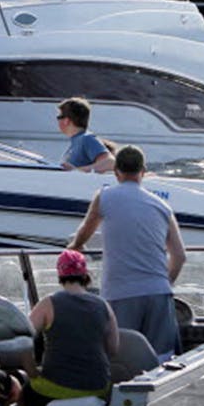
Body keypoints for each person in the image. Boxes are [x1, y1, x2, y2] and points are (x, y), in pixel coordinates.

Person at [69, 146, 187, 360]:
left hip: (121, 293)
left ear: (116, 172)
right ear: (143, 171)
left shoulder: (104, 197)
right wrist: (164, 283)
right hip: (158, 293)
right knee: (162, 361)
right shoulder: (162, 206)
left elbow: (86, 230)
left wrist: (75, 246)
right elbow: (179, 257)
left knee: (120, 360)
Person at [20, 249, 119, 406]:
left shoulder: (48, 304)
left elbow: (22, 342)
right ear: (85, 274)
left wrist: (32, 372)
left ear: (60, 274)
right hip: (98, 389)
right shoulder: (104, 306)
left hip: (55, 389)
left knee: (24, 396)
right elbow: (113, 349)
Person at [57, 97, 114, 173]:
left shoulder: (87, 138)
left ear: (66, 120)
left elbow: (110, 163)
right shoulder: (78, 141)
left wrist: (77, 171)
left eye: (59, 117)